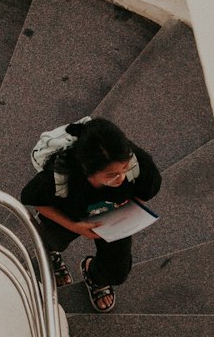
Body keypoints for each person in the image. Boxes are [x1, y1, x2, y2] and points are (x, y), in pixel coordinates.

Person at [20, 116, 161, 313]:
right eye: (111, 175)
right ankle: (52, 255)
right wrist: (75, 227)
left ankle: (95, 275)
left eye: (124, 168)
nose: (121, 177)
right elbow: (36, 201)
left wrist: (124, 217)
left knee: (117, 271)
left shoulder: (138, 162)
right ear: (87, 171)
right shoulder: (60, 174)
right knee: (50, 241)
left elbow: (145, 193)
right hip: (70, 215)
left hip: (114, 216)